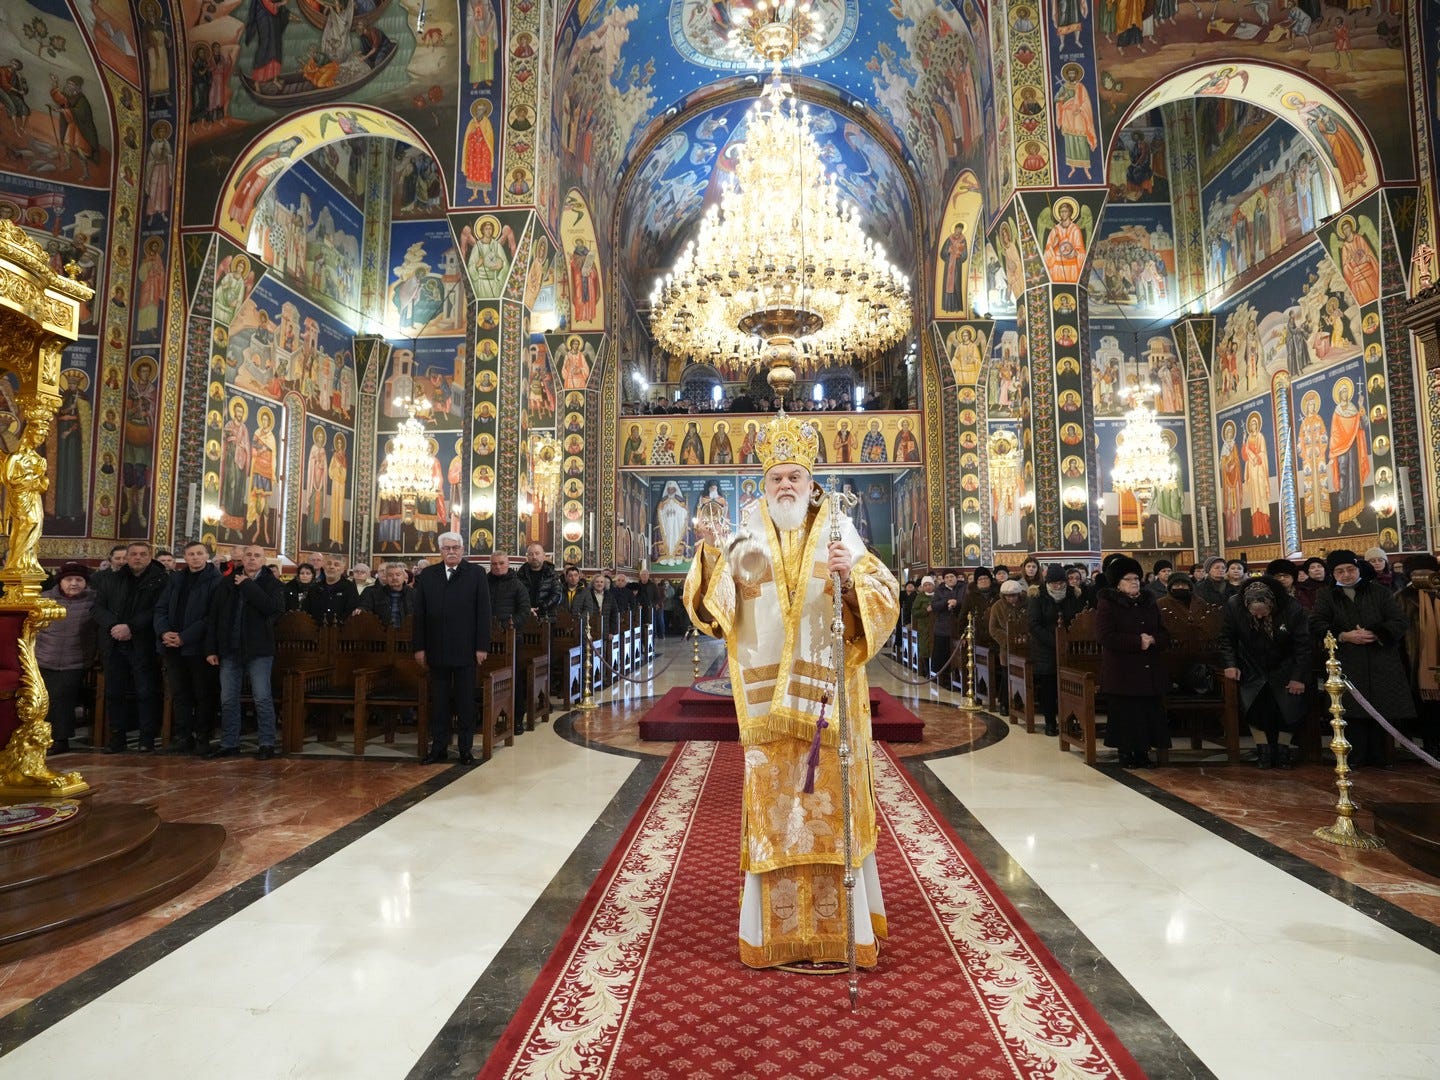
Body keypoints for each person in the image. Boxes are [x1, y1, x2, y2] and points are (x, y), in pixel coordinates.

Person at [683, 411, 899, 969]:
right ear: (764, 483)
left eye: (794, 477)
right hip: (768, 714)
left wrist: (850, 580)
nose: (785, 485)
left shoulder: (839, 529)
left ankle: (844, 931)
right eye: (776, 477)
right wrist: (709, 556)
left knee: (832, 816)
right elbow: (715, 611)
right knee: (776, 819)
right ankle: (772, 935)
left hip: (829, 704)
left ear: (809, 481)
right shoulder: (746, 532)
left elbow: (884, 595)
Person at [1309, 549, 1414, 767]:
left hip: (1381, 660)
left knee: (1381, 710)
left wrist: (1376, 633)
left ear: (1358, 568)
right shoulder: (1326, 595)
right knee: (1351, 711)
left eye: (1350, 569)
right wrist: (1344, 635)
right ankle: (1354, 758)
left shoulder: (1379, 591)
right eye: (1340, 571)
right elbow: (1317, 624)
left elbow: (1399, 621)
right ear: (1333, 574)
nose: (1346, 575)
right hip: (1347, 660)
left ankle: (1382, 757)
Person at [414, 533, 492, 765]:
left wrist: (481, 646)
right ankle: (439, 748)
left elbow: (484, 612)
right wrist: (419, 647)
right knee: (439, 703)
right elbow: (419, 614)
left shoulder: (476, 573)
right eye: (447, 548)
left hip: (466, 649)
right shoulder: (428, 575)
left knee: (465, 702)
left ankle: (465, 749)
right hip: (436, 648)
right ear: (440, 551)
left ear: (463, 549)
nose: (451, 551)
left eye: (455, 548)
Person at [1221, 577, 1312, 770]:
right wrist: (1231, 664)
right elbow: (1227, 637)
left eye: (1264, 612)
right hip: (1251, 664)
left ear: (1272, 604)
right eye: (1254, 613)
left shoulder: (1292, 607)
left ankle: (1283, 749)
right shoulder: (1234, 605)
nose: (1259, 616)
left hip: (1285, 663)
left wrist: (1297, 677)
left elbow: (1303, 646)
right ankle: (1263, 750)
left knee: (1288, 705)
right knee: (1255, 705)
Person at [204, 544, 284, 758]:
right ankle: (229, 743)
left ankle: (266, 743)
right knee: (228, 699)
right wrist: (211, 649)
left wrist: (248, 585)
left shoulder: (272, 584)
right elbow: (214, 617)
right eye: (248, 555)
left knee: (262, 698)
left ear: (263, 560)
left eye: (257, 556)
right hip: (230, 648)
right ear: (242, 558)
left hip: (259, 649)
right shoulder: (227, 582)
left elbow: (271, 608)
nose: (252, 559)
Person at [1096, 556, 1171, 768]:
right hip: (1122, 670)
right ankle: (1126, 752)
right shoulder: (1108, 604)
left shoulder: (1149, 602)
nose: (1134, 582)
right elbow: (1105, 636)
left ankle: (1143, 752)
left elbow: (1164, 633)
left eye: (1136, 578)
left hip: (1148, 669)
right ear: (1118, 584)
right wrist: (1137, 641)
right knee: (1127, 714)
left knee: (1147, 713)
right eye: (1128, 579)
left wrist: (1153, 639)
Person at [93, 542, 169, 753]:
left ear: (150, 557)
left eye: (143, 554)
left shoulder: (161, 580)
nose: (138, 558)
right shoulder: (112, 579)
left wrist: (131, 627)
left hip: (143, 643)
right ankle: (117, 738)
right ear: (127, 557)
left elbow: (158, 609)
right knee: (114, 692)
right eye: (133, 554)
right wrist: (114, 626)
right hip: (114, 641)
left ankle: (146, 739)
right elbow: (97, 607)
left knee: (145, 692)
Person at [154, 541, 222, 755]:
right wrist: (164, 632)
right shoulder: (176, 579)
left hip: (199, 647)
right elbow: (160, 608)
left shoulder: (217, 580)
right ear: (184, 557)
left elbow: (212, 616)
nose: (195, 557)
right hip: (172, 646)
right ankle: (183, 737)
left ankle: (203, 737)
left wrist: (184, 637)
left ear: (207, 556)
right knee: (180, 693)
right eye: (191, 554)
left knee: (203, 694)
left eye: (199, 553)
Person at [36, 562, 97, 755]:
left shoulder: (93, 600)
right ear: (60, 582)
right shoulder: (44, 599)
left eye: (79, 580)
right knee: (43, 700)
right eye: (69, 579)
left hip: (75, 660)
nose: (74, 583)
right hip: (44, 658)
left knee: (63, 699)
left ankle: (60, 740)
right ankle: (41, 738)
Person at [1029, 564, 1086, 736]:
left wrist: (1069, 639)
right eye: (1054, 583)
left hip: (1069, 647)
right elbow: (1034, 625)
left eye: (1061, 583)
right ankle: (1050, 722)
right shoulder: (1038, 596)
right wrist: (1055, 641)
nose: (1058, 586)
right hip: (1045, 649)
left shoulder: (1074, 594)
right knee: (1049, 687)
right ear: (1048, 583)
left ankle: (1071, 720)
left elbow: (1079, 618)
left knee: (1071, 685)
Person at [1396, 554, 1440, 757]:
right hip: (1415, 660)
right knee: (1425, 708)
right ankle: (1431, 746)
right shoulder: (1402, 598)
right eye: (1417, 573)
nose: (1423, 576)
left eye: (1427, 572)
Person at [304, 554, 359, 624]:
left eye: (336, 565)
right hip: (316, 628)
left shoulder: (350, 587)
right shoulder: (314, 588)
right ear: (324, 567)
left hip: (341, 628)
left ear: (342, 570)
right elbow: (306, 611)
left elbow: (351, 612)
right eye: (329, 564)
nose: (331, 567)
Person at [931, 570, 963, 687]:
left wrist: (956, 602)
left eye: (952, 576)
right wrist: (946, 601)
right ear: (944, 580)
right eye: (947, 577)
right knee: (942, 654)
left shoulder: (963, 588)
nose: (950, 579)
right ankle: (943, 678)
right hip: (943, 628)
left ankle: (958, 677)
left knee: (957, 655)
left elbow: (966, 601)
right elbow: (934, 606)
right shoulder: (939, 590)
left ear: (956, 578)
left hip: (959, 627)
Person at [359, 561, 415, 627]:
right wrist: (361, 609)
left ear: (404, 577)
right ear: (386, 578)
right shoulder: (374, 593)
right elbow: (365, 607)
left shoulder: (414, 593)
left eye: (398, 575)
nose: (394, 578)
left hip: (408, 631)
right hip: (382, 630)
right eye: (390, 575)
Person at [516, 541, 562, 617]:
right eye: (531, 554)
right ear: (527, 557)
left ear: (544, 555)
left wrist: (541, 608)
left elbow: (556, 594)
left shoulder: (552, 574)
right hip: (525, 614)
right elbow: (516, 595)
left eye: (537, 553)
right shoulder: (520, 574)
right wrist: (527, 608)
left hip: (547, 615)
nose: (534, 557)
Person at [486, 551, 530, 626]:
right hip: (486, 628)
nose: (498, 567)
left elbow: (525, 611)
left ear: (508, 564)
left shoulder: (518, 585)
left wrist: (509, 624)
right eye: (494, 564)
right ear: (490, 566)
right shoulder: (483, 583)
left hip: (510, 630)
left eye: (501, 563)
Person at [989, 578, 1029, 648]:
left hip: (1028, 644)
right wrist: (1007, 640)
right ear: (1003, 595)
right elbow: (993, 628)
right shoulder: (997, 606)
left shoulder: (1029, 603)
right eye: (1008, 596)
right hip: (1007, 646)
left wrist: (1027, 637)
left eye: (1014, 595)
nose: (1011, 598)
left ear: (1019, 594)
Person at [911, 576, 936, 676]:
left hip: (936, 626)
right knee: (925, 649)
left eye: (929, 585)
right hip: (924, 627)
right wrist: (926, 610)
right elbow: (914, 612)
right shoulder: (920, 597)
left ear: (933, 585)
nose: (928, 587)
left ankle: (935, 671)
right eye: (925, 585)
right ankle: (927, 671)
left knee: (935, 648)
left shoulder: (938, 595)